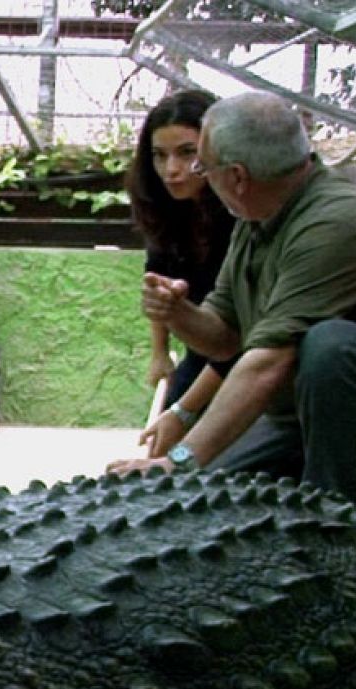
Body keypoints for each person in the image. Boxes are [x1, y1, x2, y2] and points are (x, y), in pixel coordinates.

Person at [106, 91, 356, 544]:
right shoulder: (255, 218)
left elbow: (268, 362)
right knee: (194, 497)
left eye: (203, 165)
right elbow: (224, 339)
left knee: (334, 344)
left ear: (237, 176)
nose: (192, 175)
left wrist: (180, 455)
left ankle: (325, 526)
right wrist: (178, 313)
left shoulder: (336, 222)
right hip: (298, 415)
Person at [124, 90, 239, 457]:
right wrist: (159, 353)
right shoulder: (166, 211)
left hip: (244, 354)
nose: (170, 169)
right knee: (159, 451)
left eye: (187, 153)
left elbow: (241, 339)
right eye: (159, 155)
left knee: (188, 451)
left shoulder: (242, 216)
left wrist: (183, 410)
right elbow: (157, 285)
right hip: (200, 349)